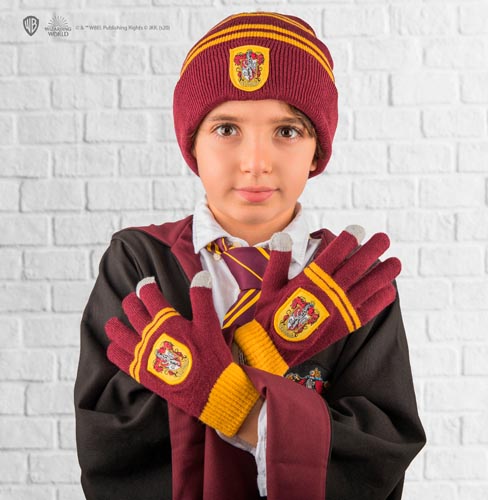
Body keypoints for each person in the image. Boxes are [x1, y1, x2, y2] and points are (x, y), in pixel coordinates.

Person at [74, 11, 426, 500]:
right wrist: (258, 369)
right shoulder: (138, 261)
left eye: (287, 131)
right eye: (226, 129)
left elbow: (382, 445)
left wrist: (234, 404)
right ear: (192, 144)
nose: (256, 162)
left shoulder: (348, 282)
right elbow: (106, 436)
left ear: (317, 150)